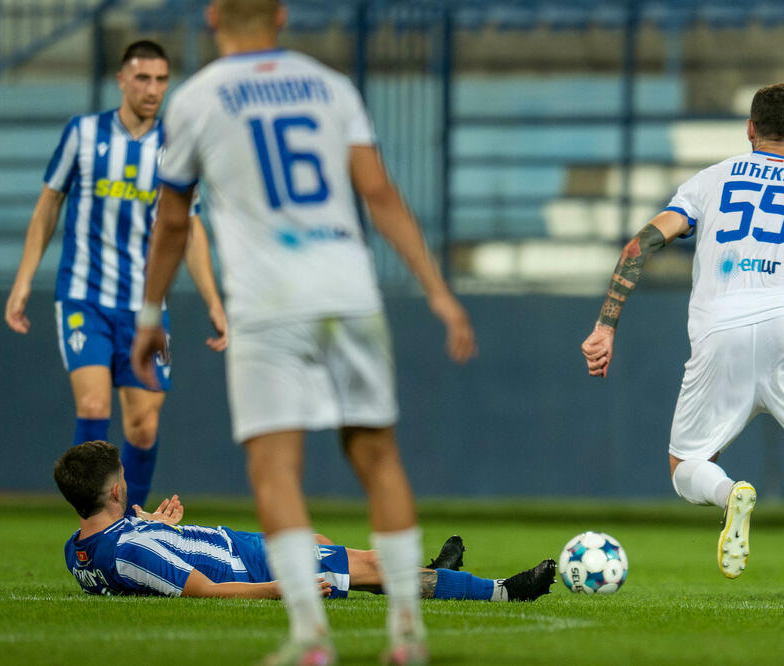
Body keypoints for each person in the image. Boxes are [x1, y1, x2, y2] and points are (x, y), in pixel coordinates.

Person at [130, 2, 476, 664]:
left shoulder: (197, 100)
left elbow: (173, 223)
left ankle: (312, 638)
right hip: (348, 288)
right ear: (282, 17)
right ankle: (406, 636)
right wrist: (437, 291)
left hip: (267, 301)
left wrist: (150, 315)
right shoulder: (330, 86)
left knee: (274, 467)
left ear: (212, 17)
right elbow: (379, 194)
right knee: (378, 457)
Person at [581, 83, 784, 603]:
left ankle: (729, 493)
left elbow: (640, 243)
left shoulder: (710, 180)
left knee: (685, 464)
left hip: (720, 329)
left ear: (750, 129)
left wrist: (605, 325)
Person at [4, 40, 227, 515]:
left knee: (143, 426)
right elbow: (49, 204)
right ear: (122, 79)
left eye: (162, 79)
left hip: (144, 308)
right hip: (84, 296)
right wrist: (24, 279)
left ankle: (131, 524)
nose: (153, 89)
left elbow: (190, 229)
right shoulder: (83, 134)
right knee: (92, 407)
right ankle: (90, 521)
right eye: (143, 78)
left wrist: (213, 301)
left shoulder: (175, 145)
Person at [53, 441, 555, 604]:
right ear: (117, 489)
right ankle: (504, 591)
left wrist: (162, 527)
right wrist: (283, 589)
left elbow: (138, 557)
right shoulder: (128, 550)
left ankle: (430, 576)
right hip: (252, 566)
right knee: (374, 565)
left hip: (242, 547)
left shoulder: (84, 548)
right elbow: (203, 590)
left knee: (329, 547)